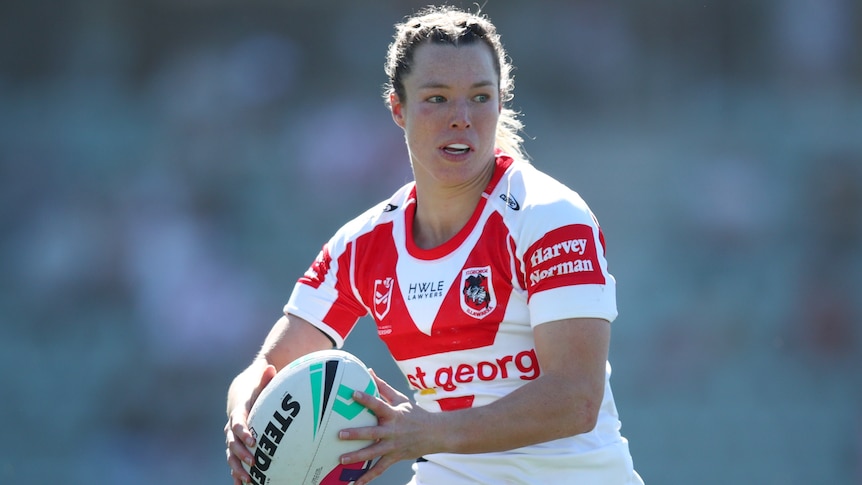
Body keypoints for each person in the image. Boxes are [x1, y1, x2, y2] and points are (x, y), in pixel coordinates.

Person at [225, 5, 643, 484]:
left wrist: (427, 434)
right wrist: (243, 413)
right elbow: (269, 367)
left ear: (501, 105)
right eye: (438, 98)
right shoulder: (361, 245)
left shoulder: (549, 217)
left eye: (480, 97)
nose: (461, 118)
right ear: (397, 109)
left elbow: (575, 399)